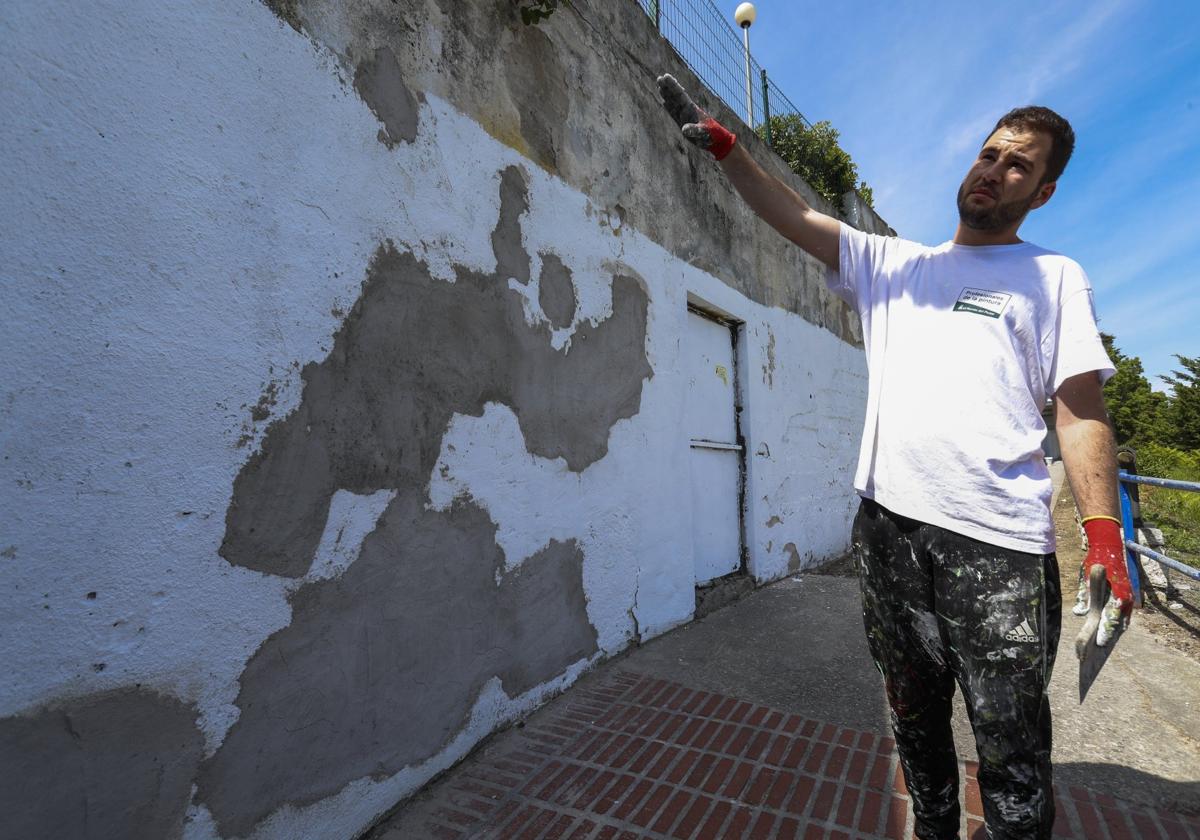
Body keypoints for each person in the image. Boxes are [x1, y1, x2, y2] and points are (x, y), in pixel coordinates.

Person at [657, 74, 1131, 839]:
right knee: (914, 724)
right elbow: (795, 215)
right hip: (887, 535)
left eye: (1019, 165)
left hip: (998, 544)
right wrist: (728, 151)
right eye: (989, 153)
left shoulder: (1053, 277)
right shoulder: (895, 265)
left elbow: (1079, 411)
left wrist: (1103, 530)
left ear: (1041, 193)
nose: (994, 169)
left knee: (1011, 749)